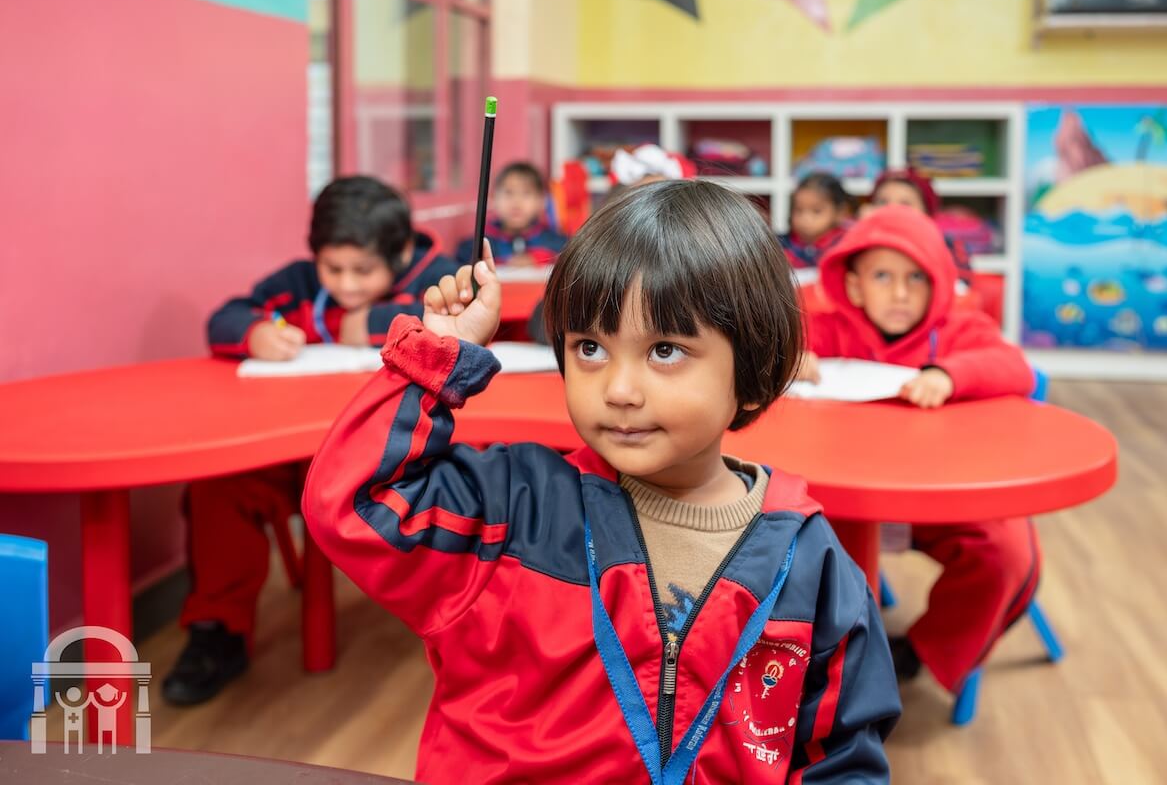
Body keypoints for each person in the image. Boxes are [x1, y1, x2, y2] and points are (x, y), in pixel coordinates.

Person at [303, 180, 900, 783]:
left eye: (665, 351)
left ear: (751, 370)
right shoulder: (510, 511)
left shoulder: (812, 567)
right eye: (589, 347)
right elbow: (351, 504)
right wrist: (436, 359)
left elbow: (841, 757)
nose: (618, 390)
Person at [162, 175, 458, 706]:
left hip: (398, 466)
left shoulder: (437, 278)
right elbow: (226, 316)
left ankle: (460, 633)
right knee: (218, 490)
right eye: (333, 268)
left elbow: (466, 322)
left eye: (362, 271)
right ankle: (217, 632)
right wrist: (255, 334)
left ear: (402, 252)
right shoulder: (297, 284)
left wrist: (366, 322)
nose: (345, 283)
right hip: (297, 458)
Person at [798, 204, 1039, 696]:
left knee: (1005, 553)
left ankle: (921, 653)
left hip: (937, 502)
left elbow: (1014, 367)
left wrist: (950, 374)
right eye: (883, 276)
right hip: (841, 502)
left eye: (916, 277)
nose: (901, 292)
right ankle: (834, 660)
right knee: (802, 548)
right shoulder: (824, 326)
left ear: (939, 284)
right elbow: (757, 350)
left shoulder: (957, 331)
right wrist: (788, 357)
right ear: (854, 284)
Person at [454, 162, 567, 267]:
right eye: (508, 193)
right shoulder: (477, 246)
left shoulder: (558, 243)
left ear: (541, 201)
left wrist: (538, 259)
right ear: (494, 198)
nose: (516, 202)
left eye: (526, 193)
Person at [778, 172, 854, 268]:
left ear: (840, 213)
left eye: (816, 211)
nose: (805, 218)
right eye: (799, 210)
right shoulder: (783, 245)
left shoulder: (846, 245)